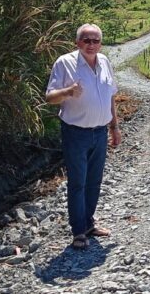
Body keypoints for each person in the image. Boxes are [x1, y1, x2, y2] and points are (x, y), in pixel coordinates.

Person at [45, 23, 122, 249]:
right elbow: (50, 97)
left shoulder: (105, 62)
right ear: (77, 42)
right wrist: (68, 92)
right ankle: (78, 231)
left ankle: (89, 224)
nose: (91, 44)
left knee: (94, 182)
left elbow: (110, 97)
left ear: (101, 43)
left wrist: (114, 127)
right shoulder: (65, 63)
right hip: (75, 133)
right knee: (77, 183)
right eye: (86, 40)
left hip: (99, 132)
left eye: (95, 40)